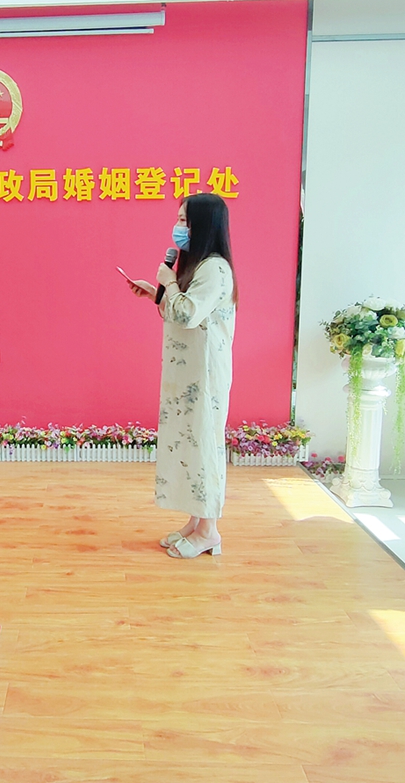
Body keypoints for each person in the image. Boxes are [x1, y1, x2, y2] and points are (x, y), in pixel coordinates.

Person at [127, 193, 237, 558]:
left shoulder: (215, 269)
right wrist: (155, 294)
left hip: (204, 376)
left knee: (203, 445)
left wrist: (169, 282)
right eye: (178, 220)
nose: (178, 228)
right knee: (191, 444)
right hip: (187, 375)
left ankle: (209, 531)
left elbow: (188, 313)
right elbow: (183, 311)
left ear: (203, 226)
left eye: (185, 221)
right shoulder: (199, 266)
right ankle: (196, 520)